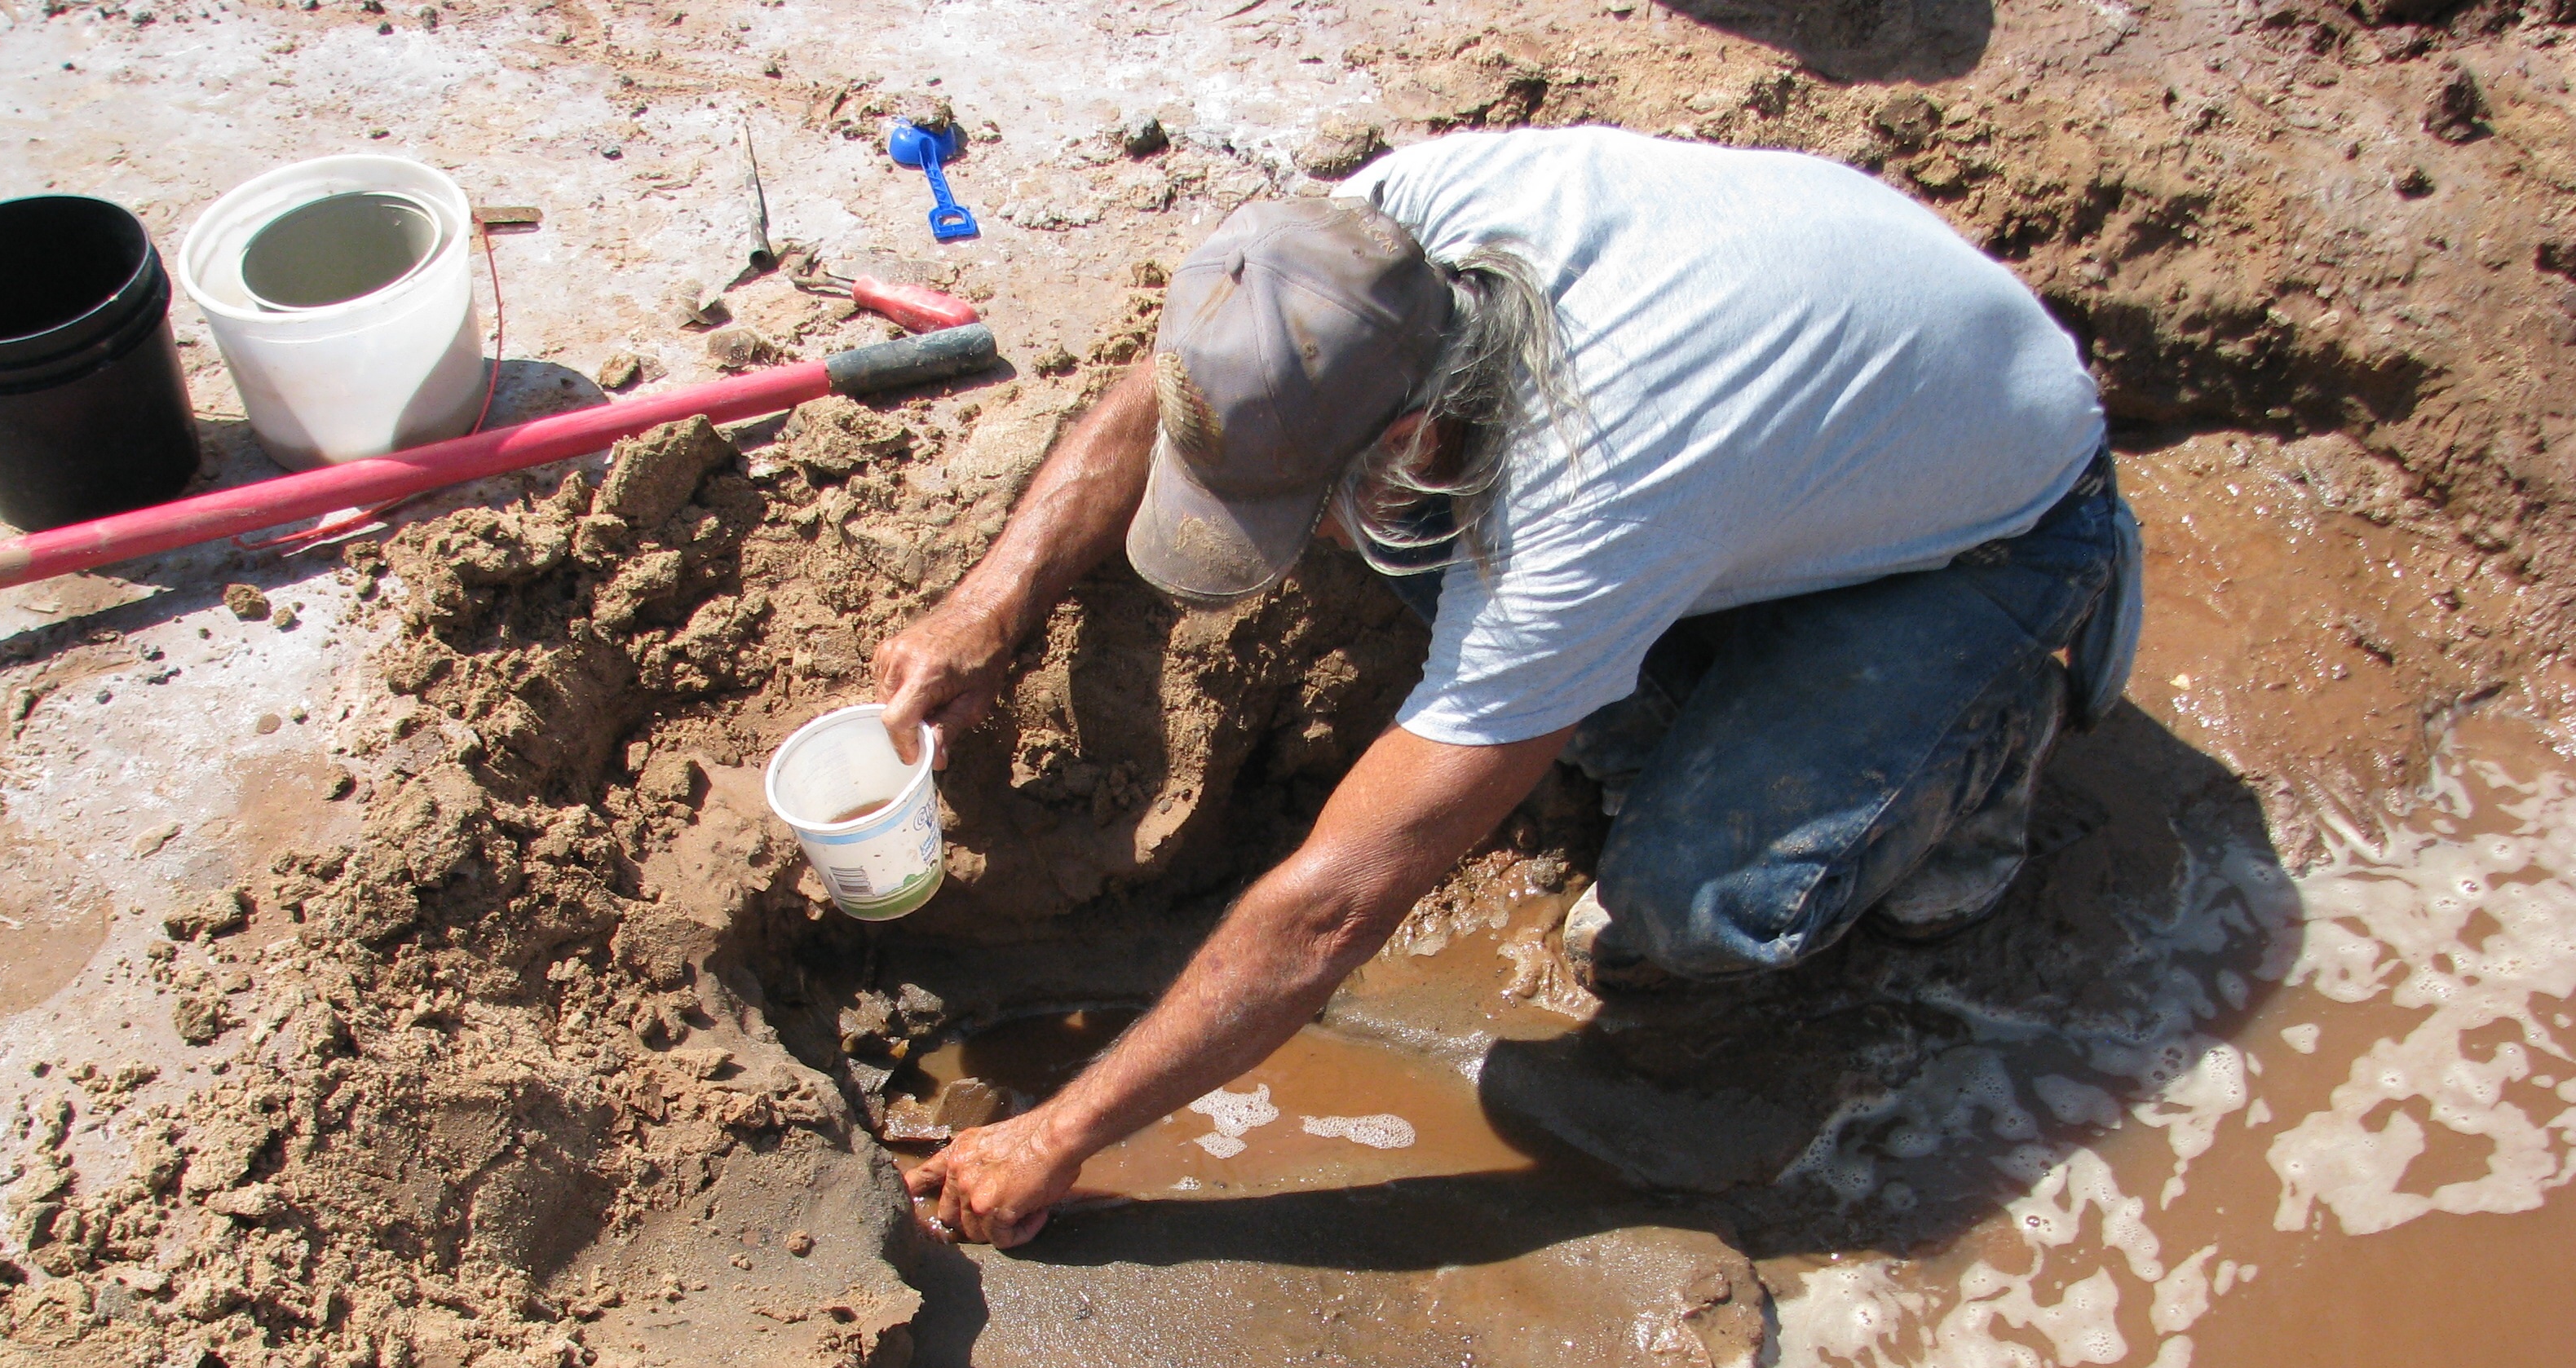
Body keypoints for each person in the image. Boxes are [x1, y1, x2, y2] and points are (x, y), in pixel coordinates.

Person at [875, 126, 2143, 1247]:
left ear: (1411, 434)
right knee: (1430, 561)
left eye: (1298, 508)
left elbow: (1329, 914)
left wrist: (1062, 1130)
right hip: (1822, 431)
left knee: (1698, 913)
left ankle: (1987, 739)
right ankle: (1731, 684)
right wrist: (992, 600)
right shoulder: (1358, 257)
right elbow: (1190, 385)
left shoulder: (1589, 497)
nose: (1295, 545)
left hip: (2003, 525)